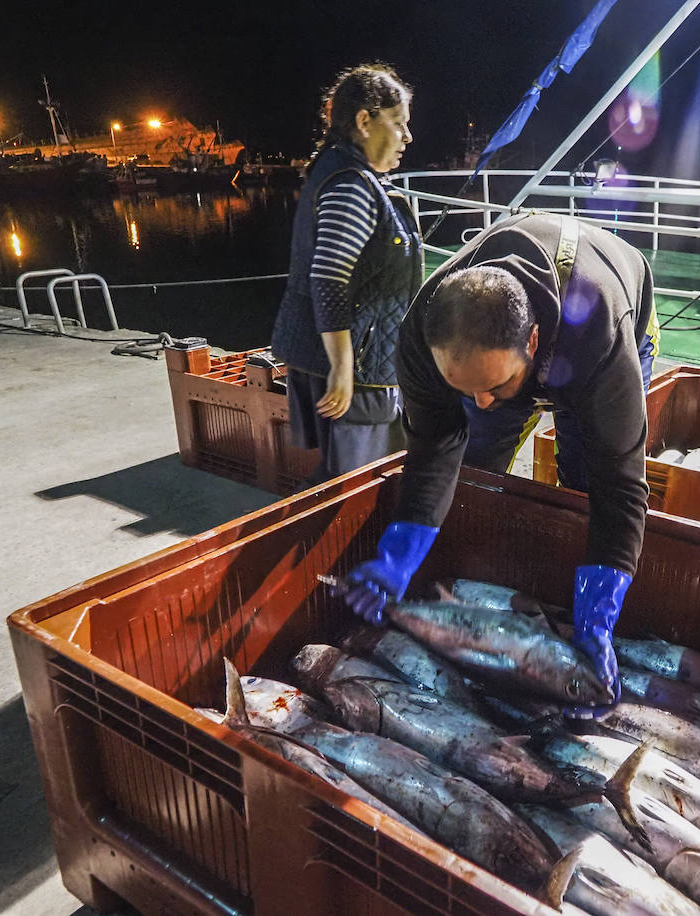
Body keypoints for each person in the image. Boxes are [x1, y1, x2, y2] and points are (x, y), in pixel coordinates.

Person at [341, 212, 660, 716]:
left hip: (607, 321)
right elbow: (433, 449)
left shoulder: (602, 335)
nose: (482, 402)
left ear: (531, 342)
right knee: (478, 467)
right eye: (465, 387)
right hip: (517, 345)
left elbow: (621, 485)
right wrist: (398, 554)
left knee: (584, 470)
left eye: (495, 385)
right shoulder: (421, 343)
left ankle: (582, 592)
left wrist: (599, 613)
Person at [270, 63, 420, 487]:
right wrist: (343, 366)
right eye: (399, 123)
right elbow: (330, 275)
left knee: (339, 477)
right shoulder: (351, 184)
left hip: (338, 357)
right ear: (364, 120)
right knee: (359, 487)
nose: (407, 137)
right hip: (360, 370)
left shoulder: (337, 170)